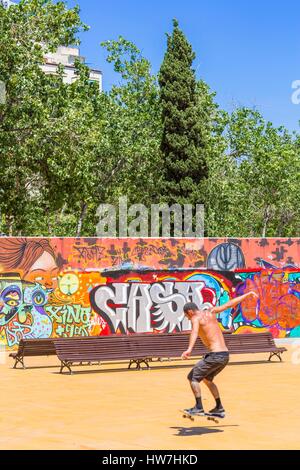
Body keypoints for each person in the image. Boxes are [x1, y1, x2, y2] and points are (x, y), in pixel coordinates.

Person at [181, 291, 259, 418]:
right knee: (207, 379)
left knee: (192, 377)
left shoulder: (195, 318)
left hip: (215, 355)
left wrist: (189, 349)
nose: (188, 318)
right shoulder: (211, 311)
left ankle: (198, 407)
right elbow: (229, 304)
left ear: (190, 312)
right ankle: (219, 408)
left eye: (186, 316)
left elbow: (194, 332)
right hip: (224, 355)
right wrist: (247, 294)